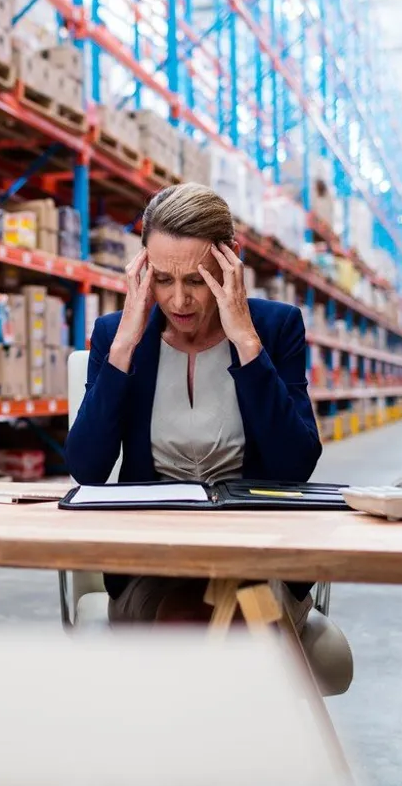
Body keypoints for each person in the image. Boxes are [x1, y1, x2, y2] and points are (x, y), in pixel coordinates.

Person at [66, 182, 324, 628]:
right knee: (191, 616)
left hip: (256, 559)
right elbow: (87, 468)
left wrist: (246, 340)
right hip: (155, 564)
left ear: (229, 264)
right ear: (143, 268)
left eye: (197, 280)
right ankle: (258, 691)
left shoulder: (275, 327)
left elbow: (296, 465)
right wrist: (125, 343)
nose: (178, 301)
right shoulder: (118, 335)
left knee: (240, 614)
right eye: (163, 279)